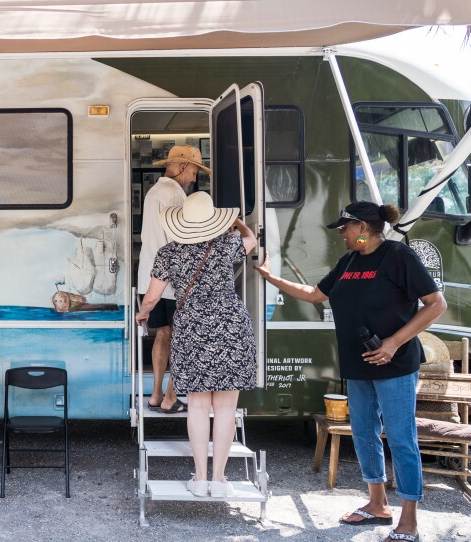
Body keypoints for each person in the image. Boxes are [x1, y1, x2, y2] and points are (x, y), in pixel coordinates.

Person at [253, 201, 446, 542]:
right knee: (363, 433)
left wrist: (393, 343)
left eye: (344, 227)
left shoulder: (398, 258)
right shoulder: (350, 261)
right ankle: (377, 504)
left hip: (395, 365)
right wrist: (271, 278)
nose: (340, 232)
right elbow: (315, 294)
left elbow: (436, 304)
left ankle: (410, 521)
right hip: (358, 365)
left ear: (363, 228)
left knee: (401, 440)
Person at [136, 192, 257, 497]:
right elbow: (251, 239)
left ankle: (200, 478)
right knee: (227, 407)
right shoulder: (227, 244)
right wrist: (235, 221)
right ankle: (219, 480)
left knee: (199, 405)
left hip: (191, 325)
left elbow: (152, 296)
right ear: (215, 220)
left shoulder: (169, 252)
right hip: (231, 324)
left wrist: (144, 313)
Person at [137, 144, 210, 413]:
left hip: (150, 277)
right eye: (194, 171)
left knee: (163, 334)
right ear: (181, 167)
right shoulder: (177, 196)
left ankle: (155, 395)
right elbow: (184, 239)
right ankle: (170, 398)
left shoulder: (154, 191)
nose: (194, 178)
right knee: (182, 338)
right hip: (174, 280)